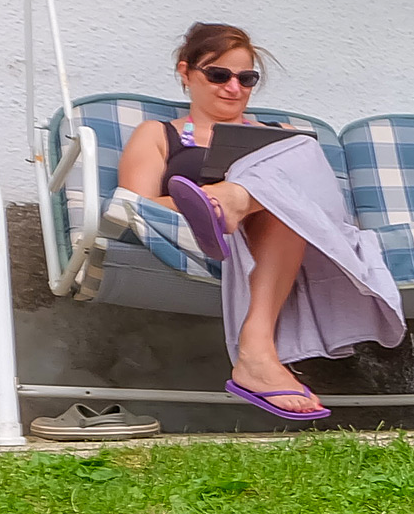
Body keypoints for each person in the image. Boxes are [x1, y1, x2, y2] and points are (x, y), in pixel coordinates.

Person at [112, 23, 344, 421]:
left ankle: (228, 202)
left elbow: (321, 202)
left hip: (285, 230)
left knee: (298, 159)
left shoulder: (280, 136)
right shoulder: (158, 134)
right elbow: (137, 207)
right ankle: (223, 207)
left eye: (246, 79)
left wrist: (233, 193)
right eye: (218, 75)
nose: (233, 88)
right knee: (281, 197)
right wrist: (195, 204)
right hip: (198, 233)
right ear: (186, 73)